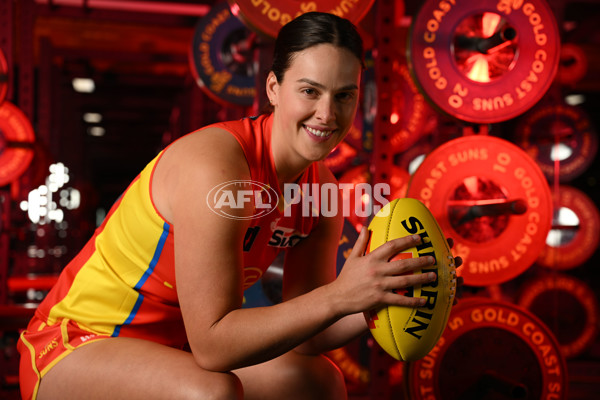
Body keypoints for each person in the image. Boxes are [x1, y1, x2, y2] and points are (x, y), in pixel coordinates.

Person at [18, 11, 460, 400]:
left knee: (319, 382)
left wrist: (379, 296)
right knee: (211, 393)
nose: (327, 113)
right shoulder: (217, 166)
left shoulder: (321, 192)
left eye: (344, 95)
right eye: (309, 91)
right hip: (76, 345)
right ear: (273, 87)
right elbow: (214, 347)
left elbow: (311, 330)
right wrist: (339, 295)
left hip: (174, 349)